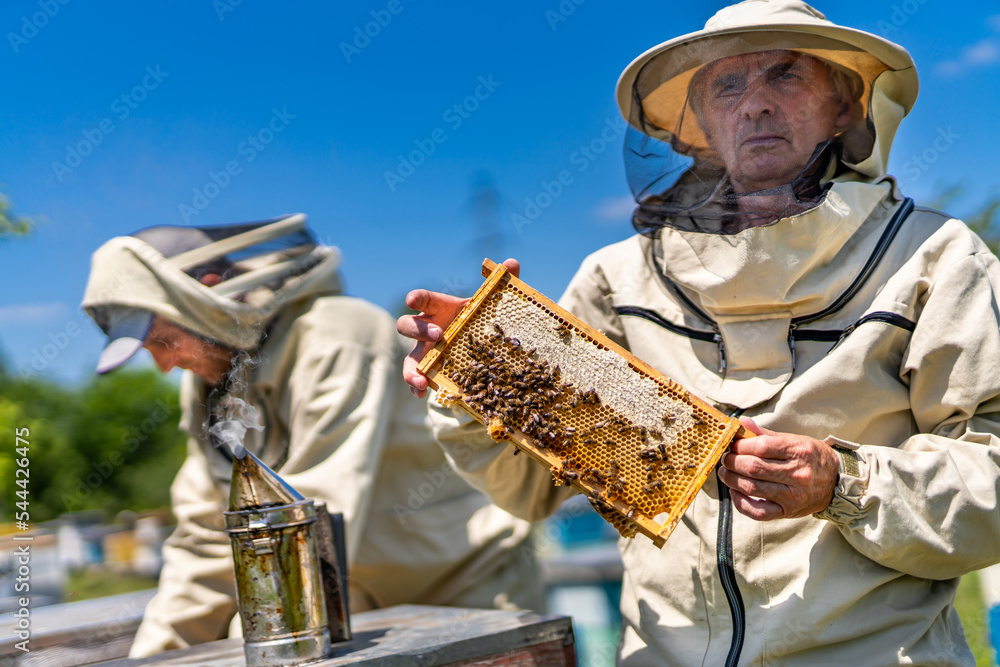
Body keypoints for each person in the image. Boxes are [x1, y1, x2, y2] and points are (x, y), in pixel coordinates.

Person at [398, 2, 1000, 665]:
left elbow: (991, 480)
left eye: (785, 75)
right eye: (727, 87)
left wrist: (842, 481)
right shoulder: (617, 280)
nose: (756, 105)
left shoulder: (935, 258)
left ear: (844, 106)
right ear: (701, 126)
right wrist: (474, 376)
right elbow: (533, 486)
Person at [81, 214, 541, 658]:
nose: (163, 365)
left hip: (467, 592)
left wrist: (257, 640)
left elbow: (313, 523)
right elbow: (204, 538)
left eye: (162, 340)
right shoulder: (210, 387)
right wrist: (149, 660)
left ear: (205, 296)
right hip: (362, 603)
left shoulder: (338, 336)